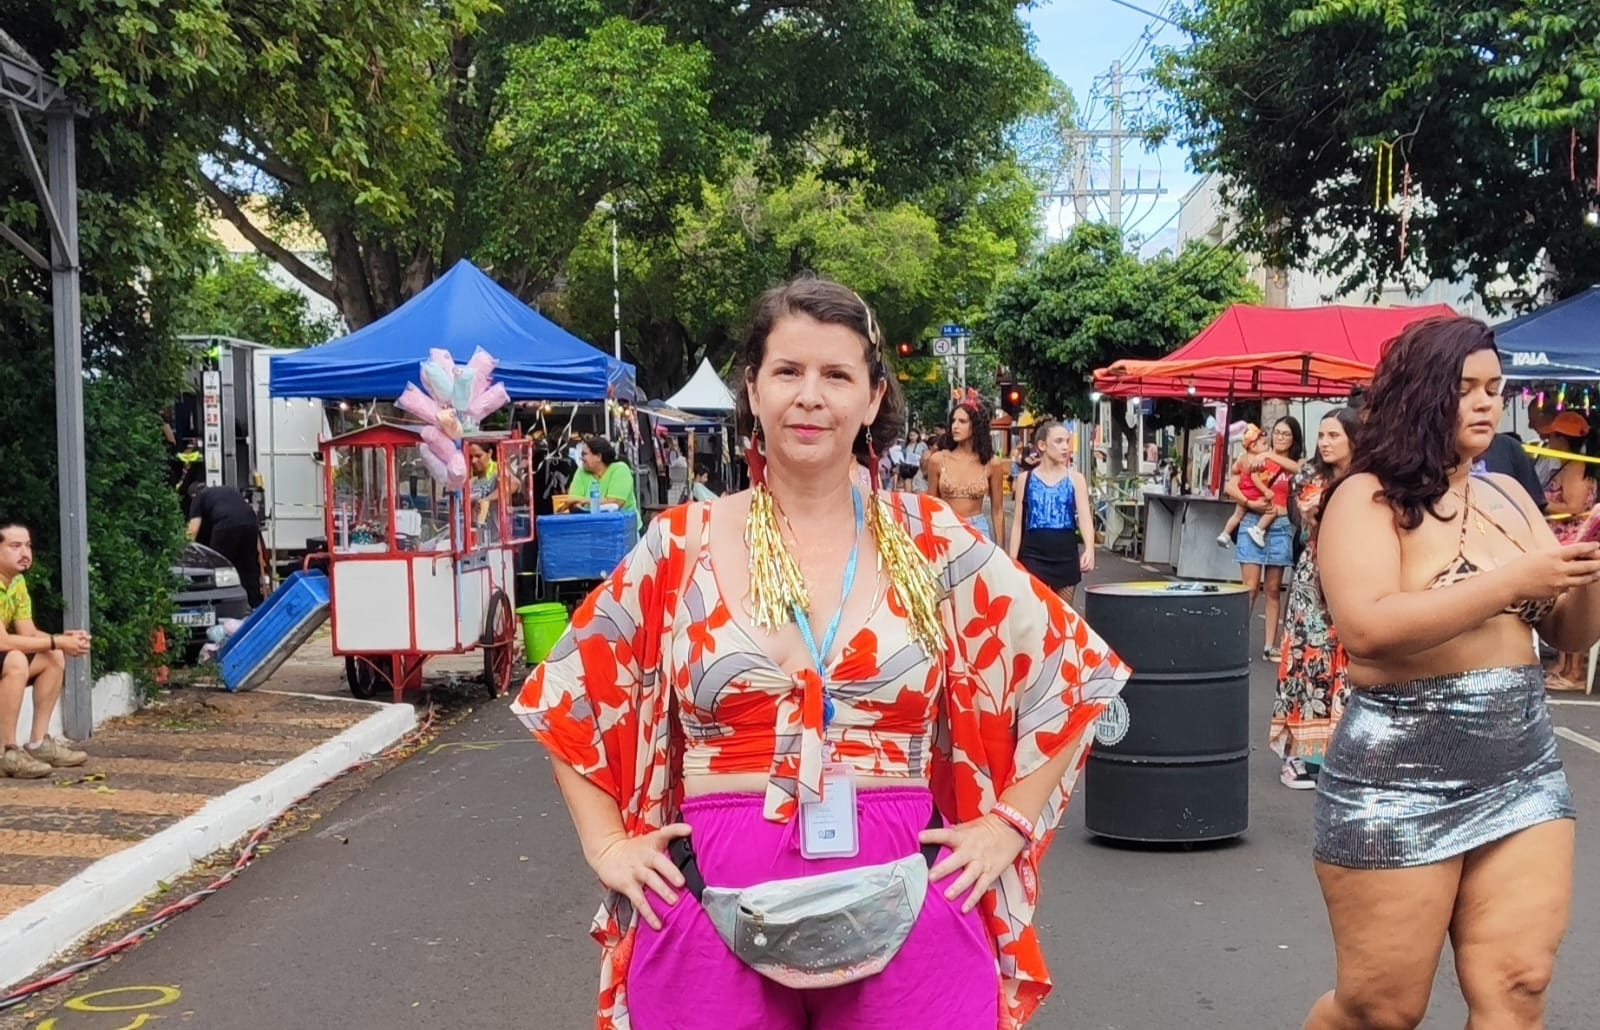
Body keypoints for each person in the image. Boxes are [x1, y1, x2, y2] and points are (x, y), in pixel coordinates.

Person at [512, 275, 1129, 1029]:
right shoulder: (679, 545)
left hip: (913, 907)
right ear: (753, 388)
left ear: (872, 398)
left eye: (837, 374)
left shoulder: (932, 541)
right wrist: (607, 842)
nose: (811, 396)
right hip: (706, 906)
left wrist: (1008, 825)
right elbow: (569, 693)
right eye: (788, 371)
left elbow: (1074, 672)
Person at [1305, 316, 1600, 1030]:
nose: (1485, 403)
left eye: (1494, 389)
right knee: (1380, 1009)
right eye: (1464, 387)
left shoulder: (1509, 498)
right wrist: (1514, 581)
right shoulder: (1366, 497)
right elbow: (1368, 629)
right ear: (1418, 394)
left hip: (1522, 772)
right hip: (1397, 776)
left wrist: (1589, 570)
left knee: (1519, 986)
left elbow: (1568, 632)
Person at [1270, 408, 1359, 790]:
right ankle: (1302, 755)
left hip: (1355, 574)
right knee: (1310, 660)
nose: (1325, 442)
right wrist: (1316, 517)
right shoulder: (1309, 476)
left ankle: (1342, 754)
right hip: (1313, 579)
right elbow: (1307, 528)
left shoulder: (1366, 478)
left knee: (1350, 662)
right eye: (1321, 435)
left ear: (1353, 438)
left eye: (1334, 435)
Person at [0, 522, 90, 778]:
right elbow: (3, 642)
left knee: (52, 656)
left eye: (28, 546)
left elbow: (28, 633)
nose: (25, 553)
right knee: (16, 660)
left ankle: (38, 744)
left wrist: (64, 641)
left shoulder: (16, 582)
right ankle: (6, 752)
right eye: (15, 546)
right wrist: (56, 641)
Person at [1225, 417, 1303, 661]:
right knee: (1250, 587)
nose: (1279, 437)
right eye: (1276, 432)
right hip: (1252, 521)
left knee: (1273, 588)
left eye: (1285, 434)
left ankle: (1270, 646)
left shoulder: (1294, 463)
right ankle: (1236, 644)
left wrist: (1270, 456)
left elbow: (1300, 471)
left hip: (1282, 526)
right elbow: (1231, 486)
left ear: (1294, 439)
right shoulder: (1254, 458)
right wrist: (1249, 502)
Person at [1537, 410, 1597, 688]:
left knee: (1570, 602)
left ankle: (1574, 672)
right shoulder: (1568, 465)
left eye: (1553, 437)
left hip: (1572, 540)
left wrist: (1541, 504)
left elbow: (1573, 506)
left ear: (1563, 440)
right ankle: (1564, 666)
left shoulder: (1575, 467)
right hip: (1565, 540)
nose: (1548, 442)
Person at [1007, 421, 1095, 609]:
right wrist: (1012, 559)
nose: (1065, 447)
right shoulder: (1025, 479)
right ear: (1042, 445)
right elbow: (1018, 523)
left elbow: (1085, 518)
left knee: (1063, 613)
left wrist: (1090, 548)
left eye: (1067, 441)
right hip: (1033, 554)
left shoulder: (1076, 479)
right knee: (1033, 612)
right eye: (1058, 441)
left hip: (1065, 554)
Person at [924, 401, 1008, 541]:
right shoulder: (938, 460)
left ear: (976, 426)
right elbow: (931, 505)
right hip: (945, 529)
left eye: (962, 421)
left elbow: (998, 510)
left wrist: (1001, 549)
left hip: (978, 531)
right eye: (953, 421)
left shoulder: (992, 463)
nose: (955, 426)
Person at [186, 484, 266, 608]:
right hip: (250, 521)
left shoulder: (199, 497)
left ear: (193, 495)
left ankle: (218, 606)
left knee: (218, 566)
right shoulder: (228, 490)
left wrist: (185, 550)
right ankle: (255, 605)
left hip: (226, 524)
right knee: (249, 567)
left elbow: (193, 529)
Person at [1217, 424, 1286, 548]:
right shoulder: (1257, 461)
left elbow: (1234, 469)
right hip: (1255, 494)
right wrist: (1265, 491)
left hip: (1243, 493)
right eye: (1264, 444)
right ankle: (1258, 530)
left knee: (1237, 515)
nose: (1267, 447)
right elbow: (1255, 478)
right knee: (1272, 511)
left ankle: (1225, 534)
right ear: (1253, 446)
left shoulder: (1242, 458)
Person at [564, 436, 640, 530]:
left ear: (598, 456)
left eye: (584, 454)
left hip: (624, 530)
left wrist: (583, 501)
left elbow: (615, 503)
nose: (580, 458)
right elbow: (572, 503)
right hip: (592, 530)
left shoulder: (620, 469)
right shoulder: (581, 472)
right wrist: (597, 502)